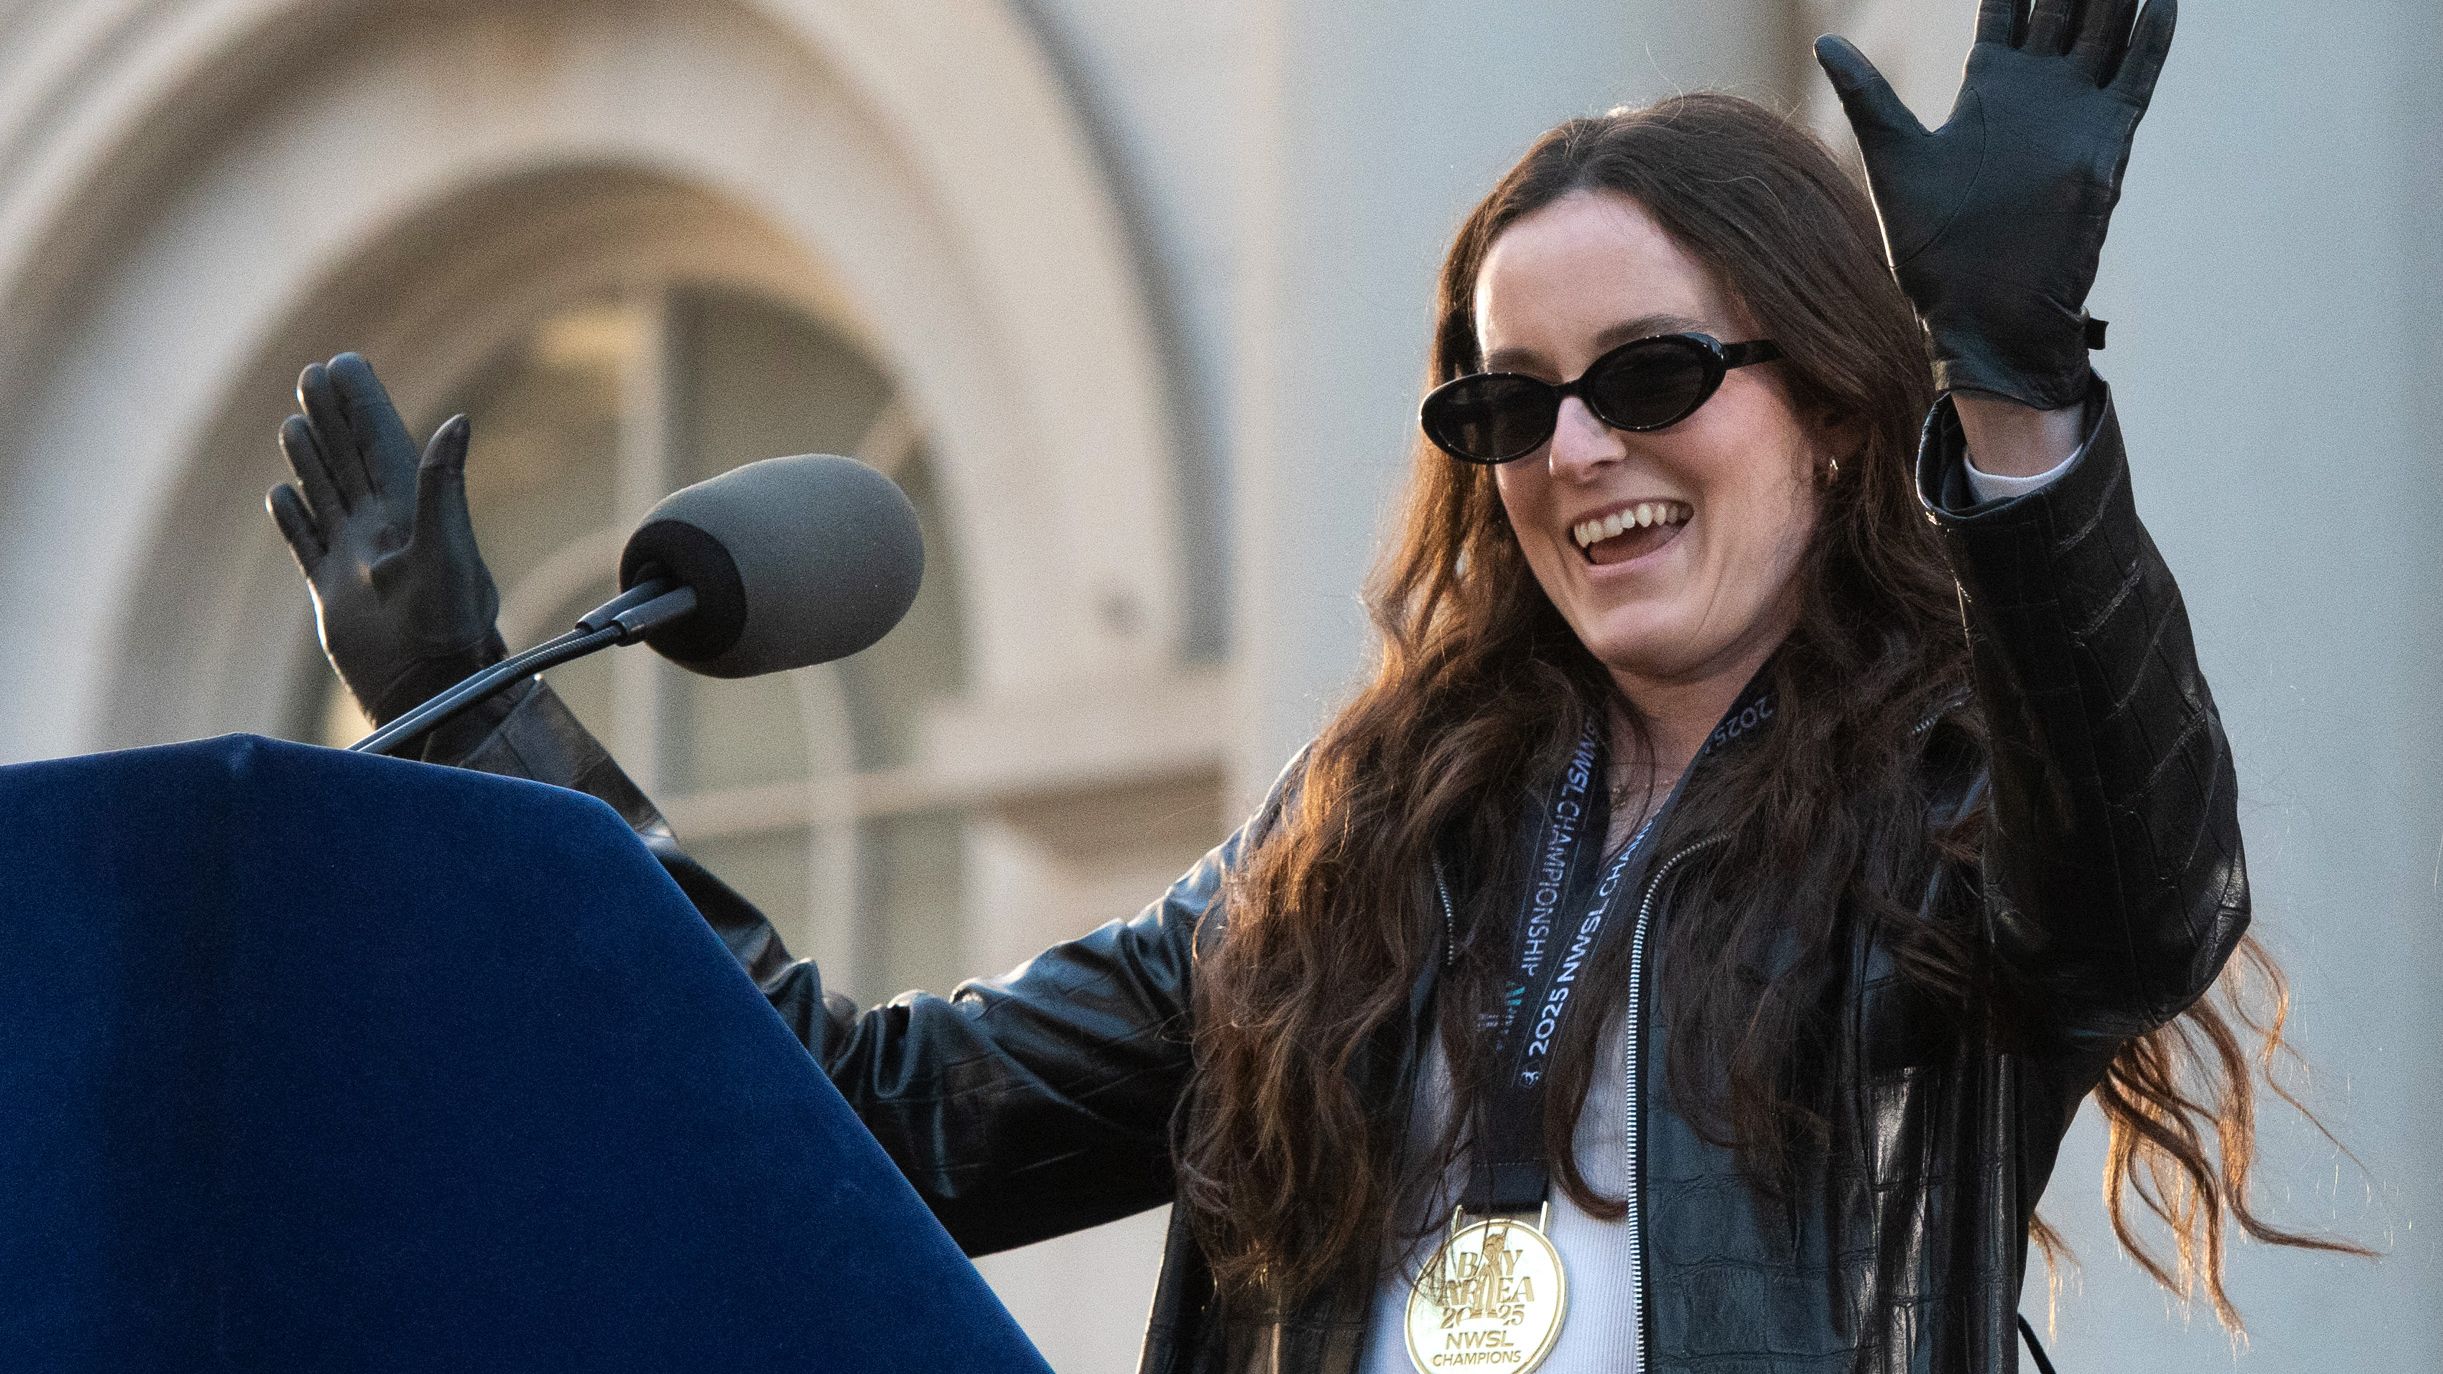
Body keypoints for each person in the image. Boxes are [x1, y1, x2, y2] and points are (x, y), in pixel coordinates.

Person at [267, 3, 2358, 1370]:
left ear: (1823, 411)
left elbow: (2140, 893)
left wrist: (2009, 392)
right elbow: (899, 1126)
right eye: (1508, 405)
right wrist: (485, 732)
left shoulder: (1942, 807)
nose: (1577, 455)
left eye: (1647, 380)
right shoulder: (1349, 848)